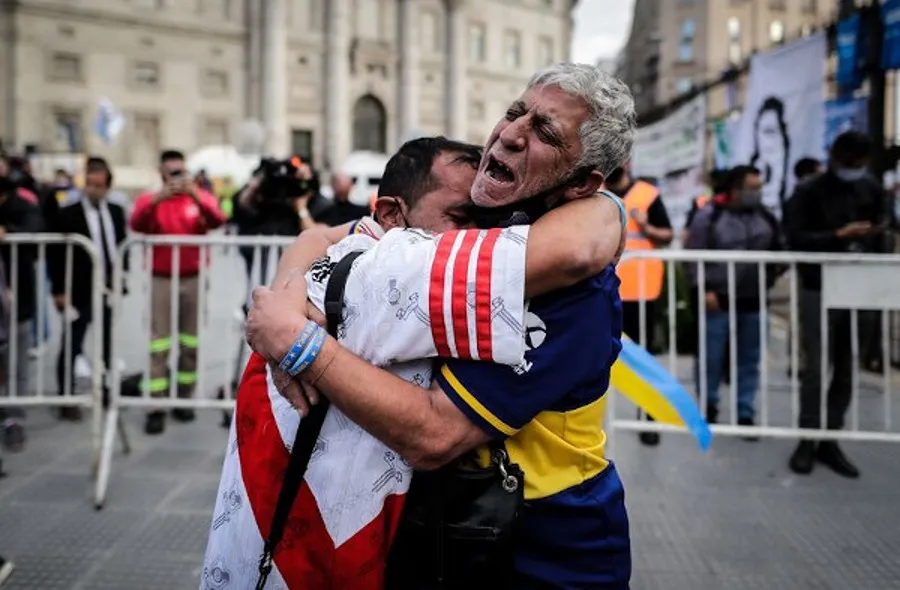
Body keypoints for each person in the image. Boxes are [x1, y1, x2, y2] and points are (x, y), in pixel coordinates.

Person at [245, 63, 635, 589]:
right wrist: (291, 286)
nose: (512, 134)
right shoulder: (484, 221)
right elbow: (336, 235)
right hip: (446, 535)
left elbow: (434, 434)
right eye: (515, 112)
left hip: (544, 550)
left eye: (544, 132)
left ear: (583, 182)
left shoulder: (573, 290)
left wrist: (298, 347)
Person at [783, 131, 890, 478]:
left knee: (847, 366)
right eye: (849, 164)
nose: (854, 170)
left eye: (860, 165)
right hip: (819, 285)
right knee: (816, 366)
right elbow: (794, 238)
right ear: (836, 158)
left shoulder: (872, 189)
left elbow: (886, 223)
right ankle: (808, 437)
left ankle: (830, 438)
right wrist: (837, 237)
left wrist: (874, 232)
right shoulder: (809, 191)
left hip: (861, 287)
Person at [130, 150, 226, 435]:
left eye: (180, 172)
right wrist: (159, 198)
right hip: (162, 278)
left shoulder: (198, 198)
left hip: (193, 277)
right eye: (171, 173)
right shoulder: (150, 200)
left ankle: (184, 398)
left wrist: (196, 195)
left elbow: (218, 220)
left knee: (190, 342)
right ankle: (156, 405)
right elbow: (136, 224)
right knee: (159, 343)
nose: (176, 178)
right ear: (161, 173)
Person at [685, 165, 782, 432]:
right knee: (711, 358)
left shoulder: (765, 216)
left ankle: (745, 411)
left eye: (759, 188)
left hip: (754, 299)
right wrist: (703, 290)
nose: (757, 193)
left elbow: (779, 249)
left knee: (749, 359)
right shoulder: (709, 216)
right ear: (735, 189)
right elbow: (693, 259)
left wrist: (775, 271)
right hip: (718, 299)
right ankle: (709, 406)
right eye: (752, 188)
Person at [47, 157, 128, 420]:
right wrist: (59, 291)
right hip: (78, 291)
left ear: (107, 186)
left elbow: (121, 246)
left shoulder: (115, 211)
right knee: (72, 343)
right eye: (90, 184)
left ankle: (106, 390)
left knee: (107, 345)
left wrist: (122, 277)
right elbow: (56, 255)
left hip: (107, 288)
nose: (94, 189)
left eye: (99, 185)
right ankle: (66, 396)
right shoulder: (68, 214)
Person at [605, 161, 673, 446]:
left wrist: (645, 226)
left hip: (642, 292)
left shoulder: (648, 194)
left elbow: (667, 235)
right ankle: (596, 426)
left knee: (643, 361)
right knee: (596, 359)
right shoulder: (595, 192)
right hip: (604, 290)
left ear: (628, 163)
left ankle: (649, 419)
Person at [0, 155, 43, 444]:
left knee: (16, 362)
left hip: (16, 299)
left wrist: (8, 233)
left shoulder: (22, 203)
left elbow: (37, 228)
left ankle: (14, 418)